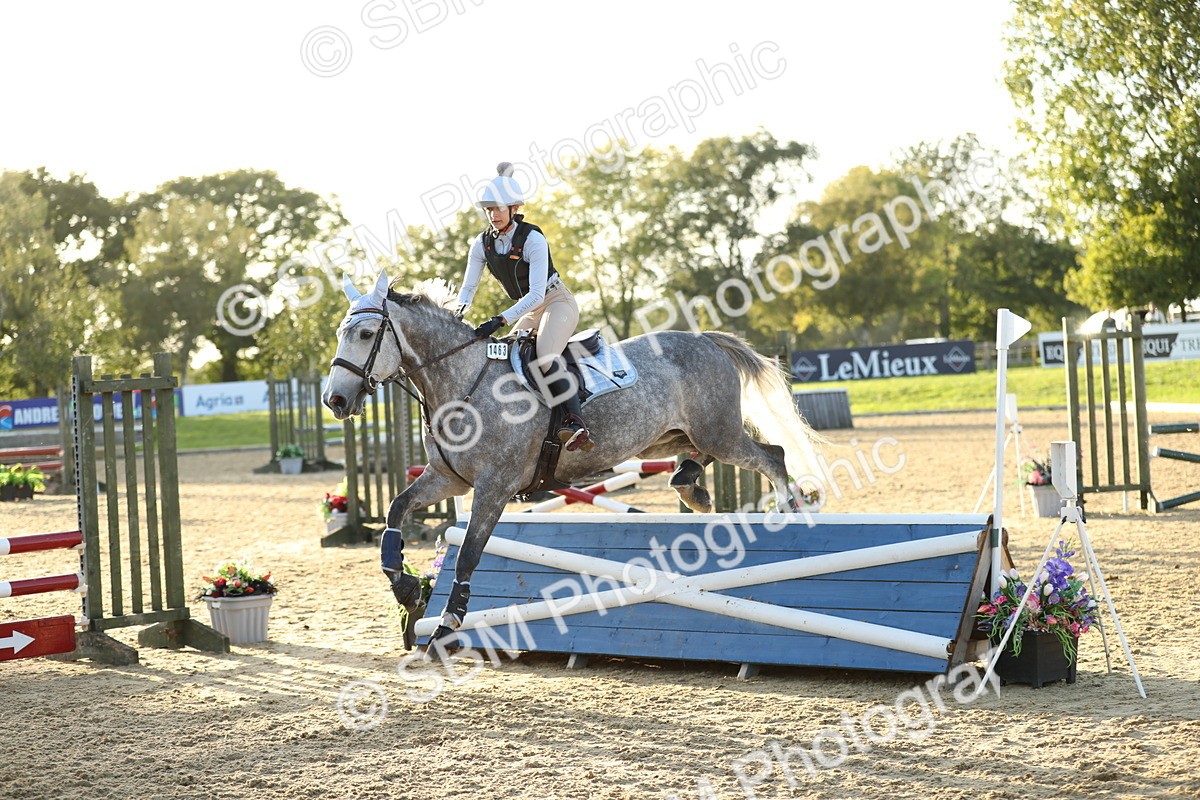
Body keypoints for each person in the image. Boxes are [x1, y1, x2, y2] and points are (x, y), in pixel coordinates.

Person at [455, 162, 595, 452]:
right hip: (529, 310)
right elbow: (468, 288)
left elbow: (535, 293)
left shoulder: (533, 238)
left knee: (545, 356)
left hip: (556, 301)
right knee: (507, 358)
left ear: (514, 208)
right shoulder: (481, 245)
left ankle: (576, 421)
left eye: (498, 208)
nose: (493, 215)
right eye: (489, 209)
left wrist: (499, 320)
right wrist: (457, 316)